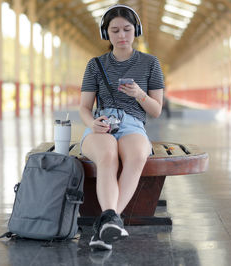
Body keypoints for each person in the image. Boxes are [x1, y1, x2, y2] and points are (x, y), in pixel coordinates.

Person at [78, 4, 164, 250]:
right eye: (114, 30)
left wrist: (139, 94)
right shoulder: (95, 65)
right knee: (107, 155)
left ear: (135, 30)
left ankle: (106, 222)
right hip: (101, 123)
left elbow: (156, 111)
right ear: (106, 34)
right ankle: (109, 224)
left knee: (137, 155)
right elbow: (84, 107)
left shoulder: (150, 63)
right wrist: (92, 123)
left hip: (133, 124)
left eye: (127, 29)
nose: (122, 35)